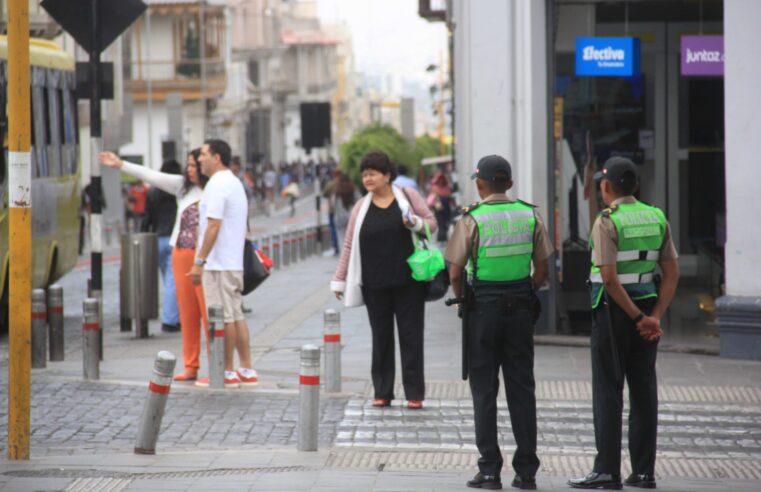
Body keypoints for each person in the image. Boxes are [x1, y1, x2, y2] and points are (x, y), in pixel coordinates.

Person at [568, 157, 679, 490]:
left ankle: (606, 471)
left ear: (605, 187)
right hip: (646, 307)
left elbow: (610, 279)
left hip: (613, 312)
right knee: (644, 390)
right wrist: (654, 316)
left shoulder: (607, 222)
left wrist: (636, 318)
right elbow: (672, 273)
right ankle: (643, 472)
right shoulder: (656, 216)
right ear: (636, 186)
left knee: (608, 391)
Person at [444, 155, 552, 491]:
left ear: (479, 183)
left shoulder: (472, 219)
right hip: (520, 307)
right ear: (510, 183)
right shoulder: (529, 214)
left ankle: (490, 471)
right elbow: (544, 269)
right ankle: (527, 472)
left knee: (484, 389)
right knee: (522, 388)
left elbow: (455, 272)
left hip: (483, 309)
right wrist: (525, 289)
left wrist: (464, 302)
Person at [331, 151, 436, 410]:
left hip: (409, 282)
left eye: (373, 173)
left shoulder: (408, 198)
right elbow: (347, 245)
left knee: (411, 337)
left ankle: (414, 393)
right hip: (374, 283)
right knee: (381, 338)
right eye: (364, 174)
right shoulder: (360, 207)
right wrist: (339, 279)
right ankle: (382, 391)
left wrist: (414, 223)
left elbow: (431, 224)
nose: (367, 178)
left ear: (387, 175)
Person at [100, 149, 210, 382]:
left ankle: (218, 366)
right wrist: (120, 164)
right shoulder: (182, 187)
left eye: (194, 166)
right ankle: (191, 365)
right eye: (188, 165)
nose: (190, 170)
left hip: (205, 256)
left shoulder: (216, 188)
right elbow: (151, 175)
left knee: (210, 313)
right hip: (180, 253)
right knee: (188, 313)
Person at [189, 139, 258, 389]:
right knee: (235, 314)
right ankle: (246, 368)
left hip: (219, 263)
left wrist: (199, 261)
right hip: (231, 261)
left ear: (217, 157)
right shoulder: (232, 181)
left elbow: (213, 225)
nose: (199, 159)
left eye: (204, 154)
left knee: (224, 317)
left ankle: (226, 371)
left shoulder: (217, 184)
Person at [141, 159, 182, 332]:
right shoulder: (178, 191)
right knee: (174, 281)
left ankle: (175, 316)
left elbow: (146, 218)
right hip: (174, 239)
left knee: (169, 281)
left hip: (158, 239)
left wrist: (144, 237)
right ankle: (169, 319)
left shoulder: (153, 192)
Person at [332, 171, 358, 252]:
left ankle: (344, 259)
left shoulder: (336, 192)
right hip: (352, 219)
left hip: (339, 219)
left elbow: (333, 205)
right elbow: (360, 202)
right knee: (353, 240)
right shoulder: (353, 190)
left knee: (342, 241)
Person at [428, 170, 453, 243]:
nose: (441, 181)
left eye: (442, 179)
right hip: (438, 208)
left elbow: (449, 197)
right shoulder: (435, 187)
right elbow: (432, 198)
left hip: (446, 208)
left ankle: (444, 238)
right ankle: (441, 238)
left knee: (446, 222)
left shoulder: (446, 187)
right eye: (440, 180)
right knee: (440, 223)